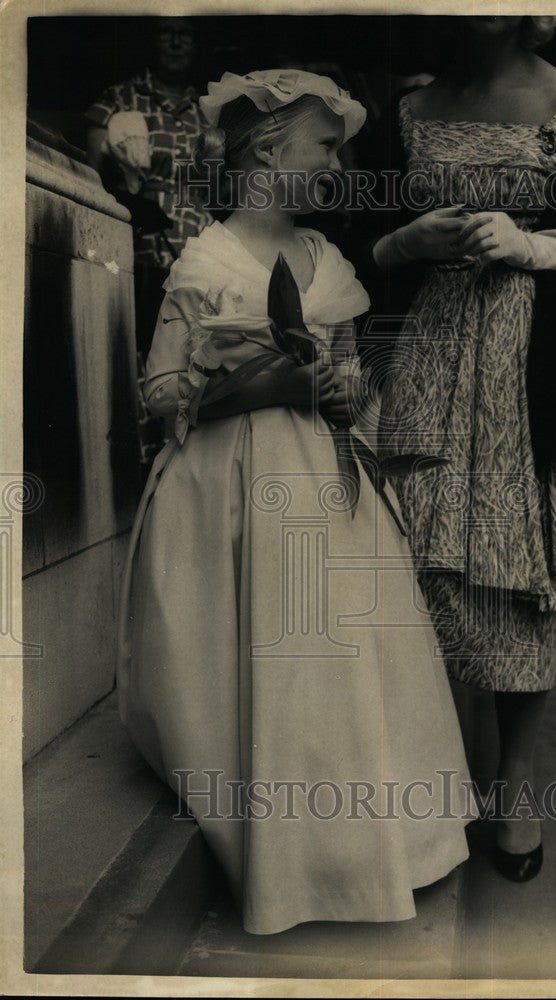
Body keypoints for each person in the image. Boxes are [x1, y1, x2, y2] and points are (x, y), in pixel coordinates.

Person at [116, 69, 473, 936]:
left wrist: (349, 394)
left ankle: (362, 848)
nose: (338, 162)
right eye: (324, 144)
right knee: (262, 655)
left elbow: (354, 384)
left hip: (322, 478)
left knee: (336, 656)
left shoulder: (328, 262)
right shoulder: (206, 262)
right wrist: (260, 382)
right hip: (230, 485)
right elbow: (158, 393)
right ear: (268, 151)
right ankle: (282, 848)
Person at [365, 15, 556, 882]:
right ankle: (433, 784)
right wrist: (404, 241)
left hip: (534, 355)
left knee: (516, 567)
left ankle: (514, 789)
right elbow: (345, 242)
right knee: (421, 560)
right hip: (427, 350)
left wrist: (537, 245)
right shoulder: (407, 108)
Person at [85, 17, 214, 463]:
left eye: (188, 33)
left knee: (197, 354)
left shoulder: (208, 109)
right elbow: (92, 184)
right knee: (144, 356)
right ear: (150, 39)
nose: (178, 41)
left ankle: (192, 463)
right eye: (167, 31)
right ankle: (144, 466)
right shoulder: (120, 99)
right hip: (140, 249)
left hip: (200, 249)